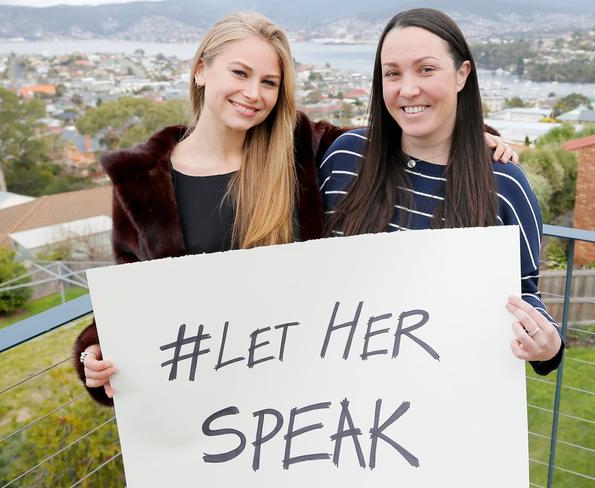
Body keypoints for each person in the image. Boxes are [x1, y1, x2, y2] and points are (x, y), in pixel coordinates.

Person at [74, 12, 517, 406]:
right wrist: (94, 353)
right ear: (201, 70)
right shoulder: (140, 183)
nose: (253, 93)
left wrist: (471, 134)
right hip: (205, 409)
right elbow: (128, 299)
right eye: (240, 73)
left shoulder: (302, 150)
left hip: (306, 397)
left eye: (269, 83)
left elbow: (401, 129)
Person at [319, 8, 563, 374]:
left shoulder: (505, 185)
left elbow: (523, 294)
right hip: (336, 398)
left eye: (426, 69)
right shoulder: (344, 157)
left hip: (442, 407)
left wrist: (548, 346)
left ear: (462, 74)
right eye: (392, 73)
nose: (408, 89)